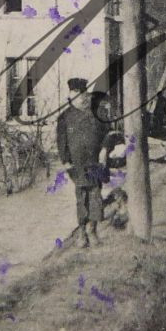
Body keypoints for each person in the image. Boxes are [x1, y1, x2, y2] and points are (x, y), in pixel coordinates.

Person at [57, 78, 112, 247]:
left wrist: (104, 150)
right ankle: (81, 232)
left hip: (95, 162)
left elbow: (108, 134)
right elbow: (61, 141)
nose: (80, 98)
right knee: (81, 197)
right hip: (77, 165)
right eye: (75, 95)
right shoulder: (65, 117)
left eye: (82, 95)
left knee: (95, 194)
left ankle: (92, 230)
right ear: (70, 96)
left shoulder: (98, 113)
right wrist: (66, 161)